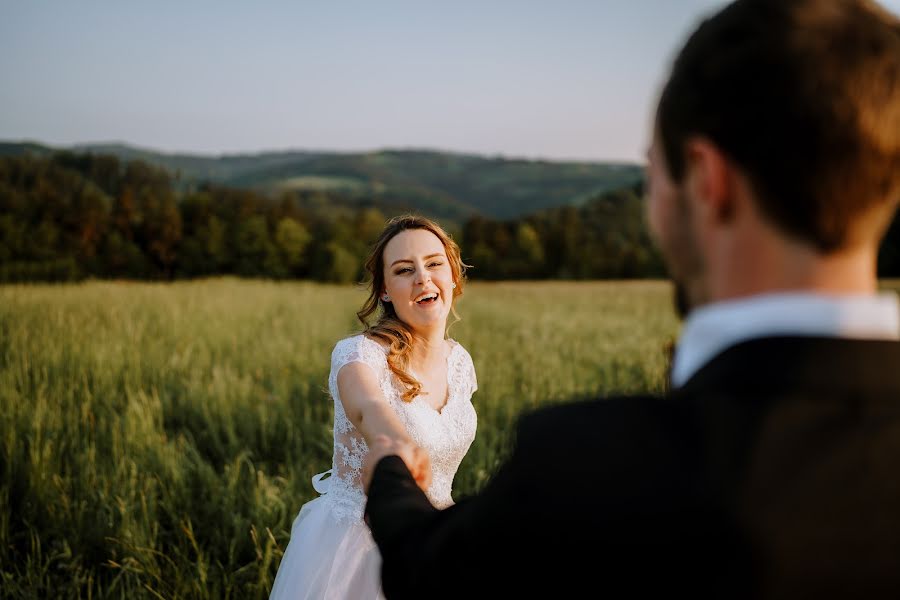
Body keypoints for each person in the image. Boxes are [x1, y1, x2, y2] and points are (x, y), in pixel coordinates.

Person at [361, 0, 900, 598]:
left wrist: (389, 474)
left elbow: (428, 573)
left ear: (705, 182)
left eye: (652, 174)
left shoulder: (592, 468)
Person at [269, 215, 478, 599]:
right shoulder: (359, 354)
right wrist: (390, 440)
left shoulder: (460, 363)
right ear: (384, 291)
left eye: (434, 263)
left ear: (452, 276)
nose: (422, 277)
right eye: (403, 270)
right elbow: (365, 405)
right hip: (357, 552)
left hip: (432, 538)